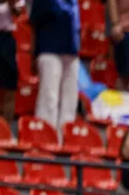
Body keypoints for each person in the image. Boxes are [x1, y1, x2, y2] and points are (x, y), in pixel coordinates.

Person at [30, 0, 79, 135]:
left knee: (70, 99)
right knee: (49, 98)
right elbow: (34, 24)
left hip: (71, 51)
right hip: (49, 49)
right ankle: (44, 136)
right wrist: (33, 53)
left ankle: (66, 136)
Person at [0, 1, 25, 126]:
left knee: (9, 87)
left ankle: (6, 129)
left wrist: (10, 4)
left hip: (6, 40)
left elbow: (19, 12)